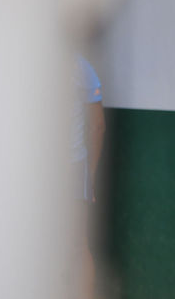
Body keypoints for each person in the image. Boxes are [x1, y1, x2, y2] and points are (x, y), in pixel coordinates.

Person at [70, 55, 106, 299]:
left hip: (70, 167)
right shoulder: (81, 65)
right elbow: (97, 125)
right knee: (78, 247)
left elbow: (97, 125)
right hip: (73, 167)